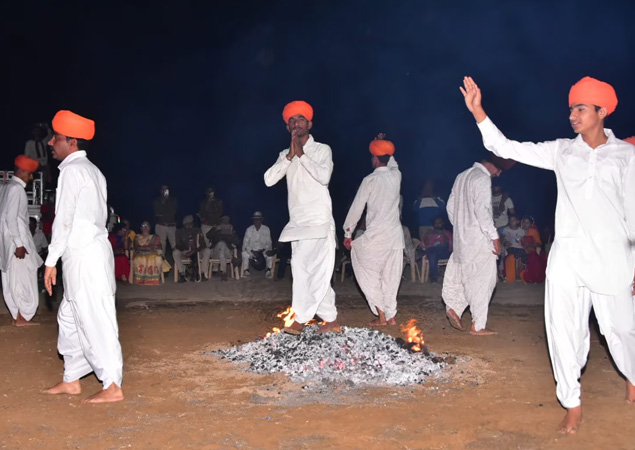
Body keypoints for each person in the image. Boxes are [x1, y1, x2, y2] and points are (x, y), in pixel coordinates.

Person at [460, 75, 635, 434]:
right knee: (562, 330)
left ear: (602, 111)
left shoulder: (626, 156)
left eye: (581, 108)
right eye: (571, 108)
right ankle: (572, 404)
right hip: (567, 258)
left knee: (622, 329)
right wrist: (479, 113)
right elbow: (508, 148)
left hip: (612, 258)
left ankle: (633, 375)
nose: (572, 114)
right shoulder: (561, 150)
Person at [42, 110, 123, 403]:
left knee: (95, 318)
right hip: (83, 255)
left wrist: (50, 261)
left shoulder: (74, 171)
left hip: (87, 256)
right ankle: (72, 379)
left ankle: (113, 385)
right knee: (70, 316)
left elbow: (64, 219)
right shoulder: (92, 171)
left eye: (57, 138)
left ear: (72, 142)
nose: (51, 143)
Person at [264, 100, 340, 334]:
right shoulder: (284, 155)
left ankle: (301, 317)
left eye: (300, 119)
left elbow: (324, 177)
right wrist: (290, 156)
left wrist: (302, 155)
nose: (296, 123)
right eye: (291, 120)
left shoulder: (322, 150)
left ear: (310, 123)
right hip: (298, 224)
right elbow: (268, 180)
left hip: (319, 221)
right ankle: (331, 320)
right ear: (288, 128)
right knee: (310, 270)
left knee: (306, 269)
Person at [442, 156, 508, 336]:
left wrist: (462, 225)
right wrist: (494, 236)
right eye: (499, 169)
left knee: (465, 276)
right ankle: (478, 325)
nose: (499, 174)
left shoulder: (462, 176)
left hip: (462, 239)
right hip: (479, 239)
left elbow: (450, 206)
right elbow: (482, 210)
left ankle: (454, 307)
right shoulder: (481, 177)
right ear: (491, 163)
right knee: (483, 281)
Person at [343, 135, 404, 326]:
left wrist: (348, 233)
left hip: (377, 236)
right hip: (394, 237)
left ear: (375, 159)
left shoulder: (369, 180)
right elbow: (393, 162)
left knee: (367, 272)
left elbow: (357, 207)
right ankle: (391, 316)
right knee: (391, 276)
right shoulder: (396, 176)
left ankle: (382, 316)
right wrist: (385, 145)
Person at [0, 155, 43, 326]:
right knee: (23, 278)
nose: (31, 177)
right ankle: (23, 316)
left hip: (8, 241)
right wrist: (19, 244)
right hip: (16, 242)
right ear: (22, 171)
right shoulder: (16, 189)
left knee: (12, 279)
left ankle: (17, 315)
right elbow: (11, 219)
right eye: (29, 173)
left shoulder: (7, 187)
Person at [173, 215, 209, 282]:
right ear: (184, 225)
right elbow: (178, 245)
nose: (189, 226)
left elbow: (203, 244)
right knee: (175, 252)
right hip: (185, 252)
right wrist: (186, 246)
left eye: (190, 224)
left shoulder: (198, 230)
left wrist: (194, 250)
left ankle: (202, 273)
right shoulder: (179, 232)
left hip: (197, 252)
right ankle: (182, 274)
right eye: (187, 224)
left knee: (207, 250)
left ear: (193, 223)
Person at [242, 211, 273, 278]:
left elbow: (269, 242)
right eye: (255, 219)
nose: (257, 221)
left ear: (261, 220)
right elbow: (245, 243)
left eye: (258, 219)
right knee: (244, 254)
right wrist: (252, 251)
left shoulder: (266, 229)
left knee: (270, 255)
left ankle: (268, 271)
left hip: (263, 250)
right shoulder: (249, 229)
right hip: (252, 251)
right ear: (253, 220)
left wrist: (264, 249)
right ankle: (246, 271)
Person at [421, 216, 453, 283]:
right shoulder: (429, 232)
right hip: (433, 254)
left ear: (443, 223)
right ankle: (433, 278)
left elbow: (451, 247)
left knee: (442, 245)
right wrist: (424, 247)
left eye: (439, 223)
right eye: (436, 223)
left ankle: (431, 250)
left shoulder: (447, 233)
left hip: (443, 253)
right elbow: (422, 243)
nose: (437, 225)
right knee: (432, 256)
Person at [209, 215, 238, 281]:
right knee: (221, 243)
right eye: (224, 220)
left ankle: (223, 272)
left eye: (227, 220)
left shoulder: (231, 230)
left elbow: (238, 242)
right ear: (221, 221)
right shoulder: (216, 231)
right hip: (215, 253)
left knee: (222, 252)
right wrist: (215, 229)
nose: (225, 222)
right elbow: (208, 235)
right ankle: (232, 258)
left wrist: (232, 235)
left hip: (226, 253)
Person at [519, 216, 547, 284]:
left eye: (527, 223)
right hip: (520, 249)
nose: (525, 224)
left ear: (531, 224)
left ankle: (533, 278)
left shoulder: (533, 231)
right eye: (524, 222)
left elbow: (539, 243)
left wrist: (530, 244)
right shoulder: (518, 230)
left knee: (535, 257)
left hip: (531, 251)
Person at [153, 185, 177, 256]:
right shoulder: (157, 200)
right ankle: (161, 265)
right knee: (161, 247)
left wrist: (163, 213)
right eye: (163, 189)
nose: (164, 191)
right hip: (161, 225)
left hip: (171, 226)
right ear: (160, 191)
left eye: (166, 189)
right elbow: (157, 212)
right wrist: (163, 202)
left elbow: (173, 212)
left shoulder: (173, 200)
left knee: (175, 246)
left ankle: (178, 265)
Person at [501, 215, 526, 282]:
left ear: (517, 221)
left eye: (513, 220)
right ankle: (512, 275)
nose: (512, 222)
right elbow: (503, 240)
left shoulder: (521, 230)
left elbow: (523, 241)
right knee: (512, 254)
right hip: (510, 247)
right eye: (511, 220)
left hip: (519, 247)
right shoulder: (506, 229)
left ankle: (519, 274)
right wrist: (505, 243)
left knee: (523, 256)